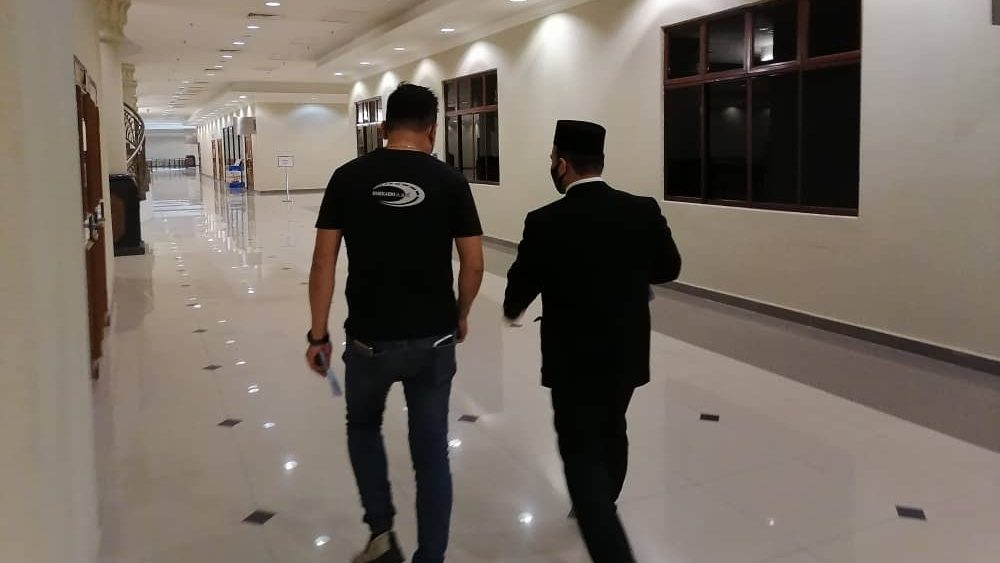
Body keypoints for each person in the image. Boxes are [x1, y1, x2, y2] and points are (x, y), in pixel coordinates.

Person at [306, 83, 485, 563]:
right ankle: (431, 556)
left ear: (384, 128)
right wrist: (461, 315)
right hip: (434, 338)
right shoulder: (450, 181)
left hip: (369, 341)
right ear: (432, 130)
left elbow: (323, 262)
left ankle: (382, 534)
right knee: (431, 452)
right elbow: (473, 264)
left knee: (364, 426)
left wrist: (318, 335)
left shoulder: (347, 177)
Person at [503, 120, 682, 563]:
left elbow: (522, 283)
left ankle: (603, 527)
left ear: (562, 165)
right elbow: (669, 268)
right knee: (613, 425)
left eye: (551, 159)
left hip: (572, 358)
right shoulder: (641, 209)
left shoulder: (545, 221)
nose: (551, 165)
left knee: (579, 448)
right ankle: (606, 498)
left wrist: (513, 308)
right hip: (625, 351)